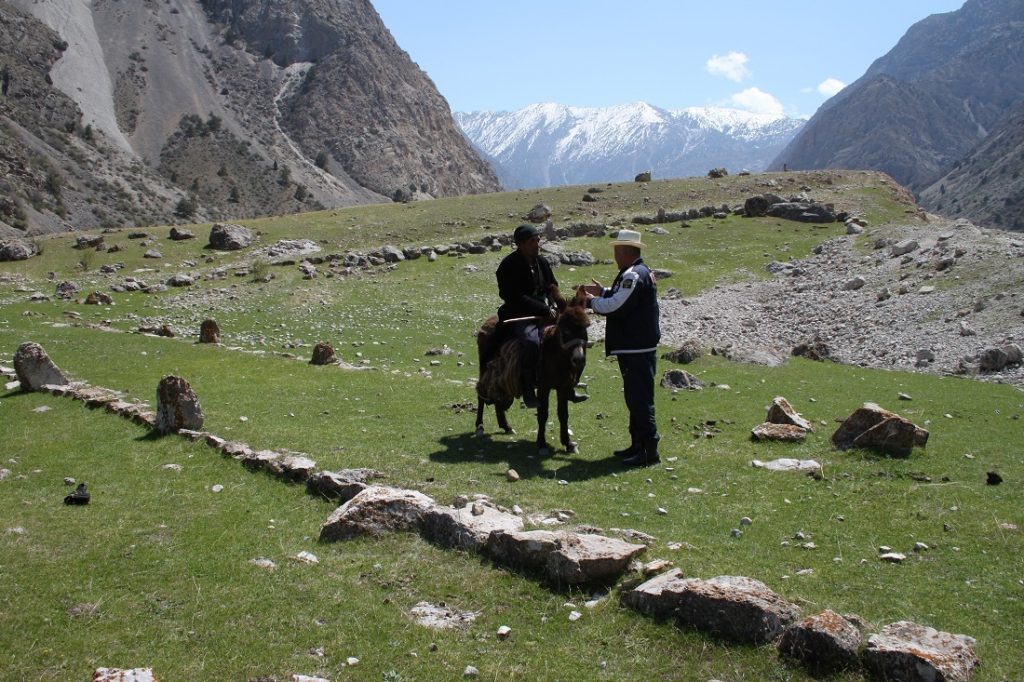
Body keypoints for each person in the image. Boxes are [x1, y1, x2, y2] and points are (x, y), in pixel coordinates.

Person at [583, 228, 661, 467]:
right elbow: (622, 296)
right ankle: (637, 444)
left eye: (617, 250)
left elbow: (617, 306)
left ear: (625, 251)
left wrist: (590, 301)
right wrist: (603, 292)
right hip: (634, 347)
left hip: (636, 346)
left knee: (639, 399)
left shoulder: (634, 275)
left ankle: (649, 451)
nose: (615, 255)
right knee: (634, 397)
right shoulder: (633, 273)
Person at [495, 223, 560, 408]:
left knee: (569, 335)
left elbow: (552, 286)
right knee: (532, 342)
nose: (537, 244)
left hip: (546, 312)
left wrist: (556, 303)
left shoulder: (542, 262)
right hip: (520, 315)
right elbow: (513, 297)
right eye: (533, 241)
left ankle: (568, 381)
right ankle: (528, 388)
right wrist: (544, 309)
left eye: (538, 240)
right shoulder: (508, 266)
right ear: (521, 244)